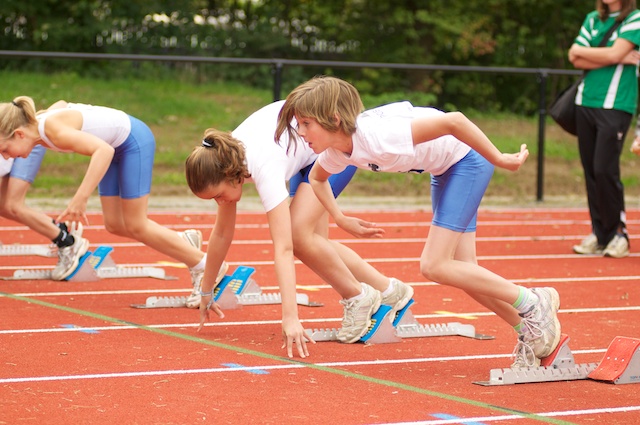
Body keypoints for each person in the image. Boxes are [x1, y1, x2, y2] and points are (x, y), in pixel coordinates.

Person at [275, 75, 562, 368]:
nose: (300, 131)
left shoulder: (378, 136)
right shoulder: (336, 152)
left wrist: (500, 158)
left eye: (306, 123)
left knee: (434, 265)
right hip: (445, 170)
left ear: (333, 119)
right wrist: (340, 218)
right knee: (463, 271)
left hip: (467, 161)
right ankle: (528, 327)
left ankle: (533, 301)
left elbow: (456, 121)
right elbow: (317, 178)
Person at [184, 100, 414, 359]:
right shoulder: (224, 157)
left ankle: (358, 297)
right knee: (314, 243)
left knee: (297, 235)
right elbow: (222, 233)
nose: (221, 202)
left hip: (330, 148)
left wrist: (290, 317)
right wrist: (206, 290)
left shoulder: (263, 166)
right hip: (305, 153)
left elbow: (284, 248)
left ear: (230, 175)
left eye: (218, 195)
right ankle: (390, 290)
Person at [0, 97, 227, 303]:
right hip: (115, 147)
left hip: (131, 142)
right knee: (115, 224)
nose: (6, 156)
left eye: (4, 149)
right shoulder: (40, 123)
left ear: (19, 134)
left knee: (136, 223)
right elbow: (61, 104)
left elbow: (103, 151)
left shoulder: (51, 129)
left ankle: (206, 266)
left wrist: (81, 197)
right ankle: (181, 241)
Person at [568, 0, 640, 258]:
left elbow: (597, 54)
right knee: (590, 171)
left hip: (616, 104)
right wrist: (614, 56)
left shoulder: (634, 18)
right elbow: (573, 57)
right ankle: (600, 234)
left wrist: (593, 54)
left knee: (604, 169)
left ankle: (618, 233)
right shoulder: (592, 18)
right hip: (584, 102)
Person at [0, 100, 89, 280]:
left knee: (12, 205)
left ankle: (67, 242)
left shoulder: (15, 139)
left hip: (24, 144)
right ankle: (61, 231)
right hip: (12, 143)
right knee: (4, 205)